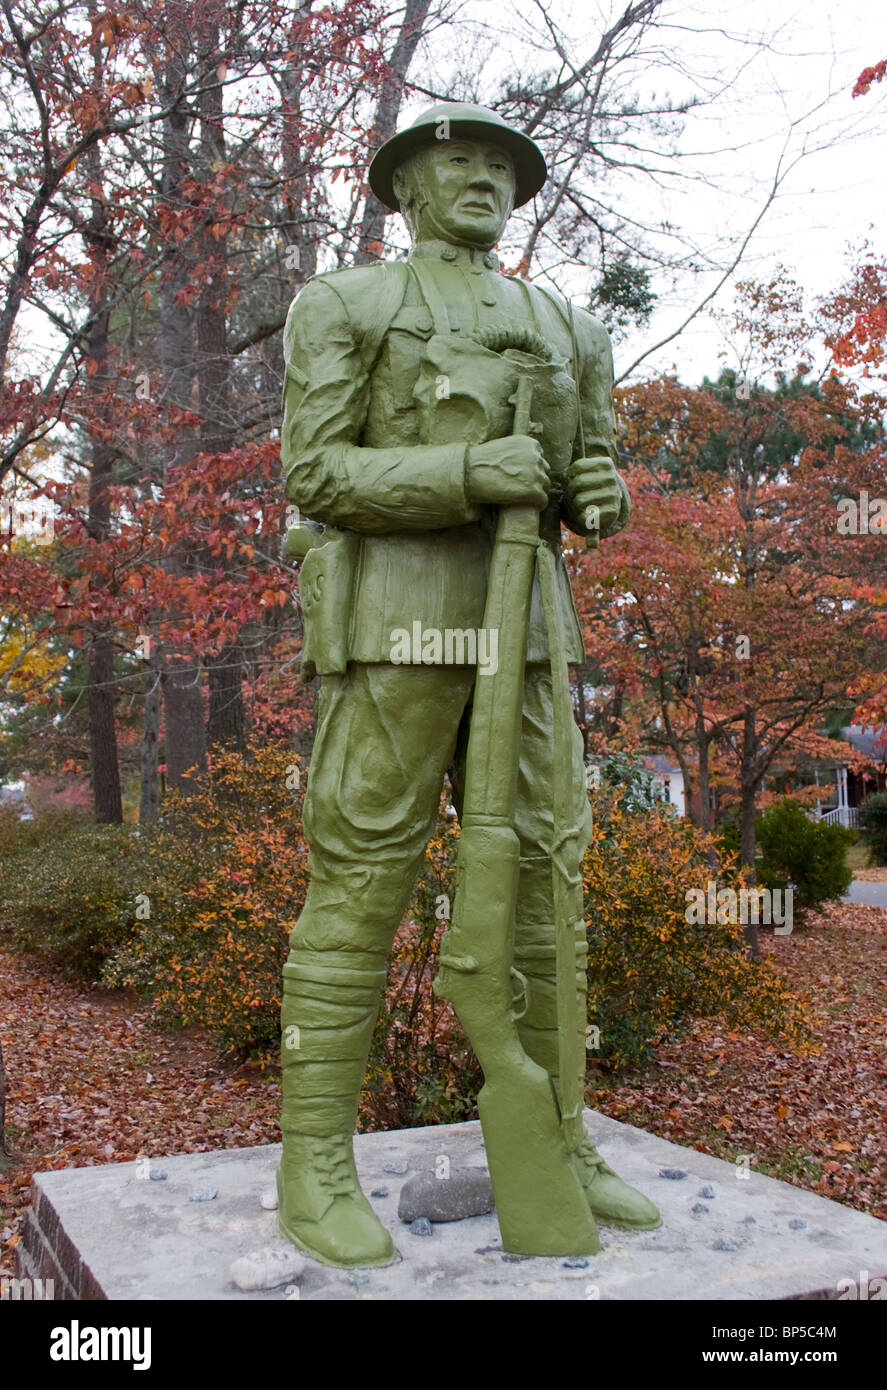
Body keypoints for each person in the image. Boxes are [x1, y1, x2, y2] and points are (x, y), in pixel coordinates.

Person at [277, 101, 660, 1267]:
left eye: (501, 165)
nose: (484, 179)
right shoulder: (347, 302)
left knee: (552, 879)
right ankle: (314, 1167)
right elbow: (313, 469)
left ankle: (562, 1134)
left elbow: (592, 464)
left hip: (529, 634)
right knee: (361, 873)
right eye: (459, 161)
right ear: (407, 185)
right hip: (401, 624)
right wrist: (460, 471)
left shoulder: (563, 324)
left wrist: (600, 495)